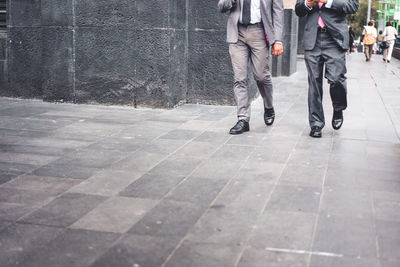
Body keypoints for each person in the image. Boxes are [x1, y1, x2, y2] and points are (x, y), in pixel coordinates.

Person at [218, 0, 284, 135]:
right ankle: (243, 119)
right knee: (239, 78)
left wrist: (277, 40)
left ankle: (269, 106)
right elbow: (221, 7)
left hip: (259, 32)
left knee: (261, 76)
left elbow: (278, 11)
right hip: (237, 33)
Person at [295, 0, 358, 138]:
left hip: (335, 39)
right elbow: (298, 10)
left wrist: (328, 1)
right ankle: (316, 124)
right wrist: (307, 3)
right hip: (313, 38)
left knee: (337, 79)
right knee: (314, 83)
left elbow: (352, 6)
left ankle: (338, 108)